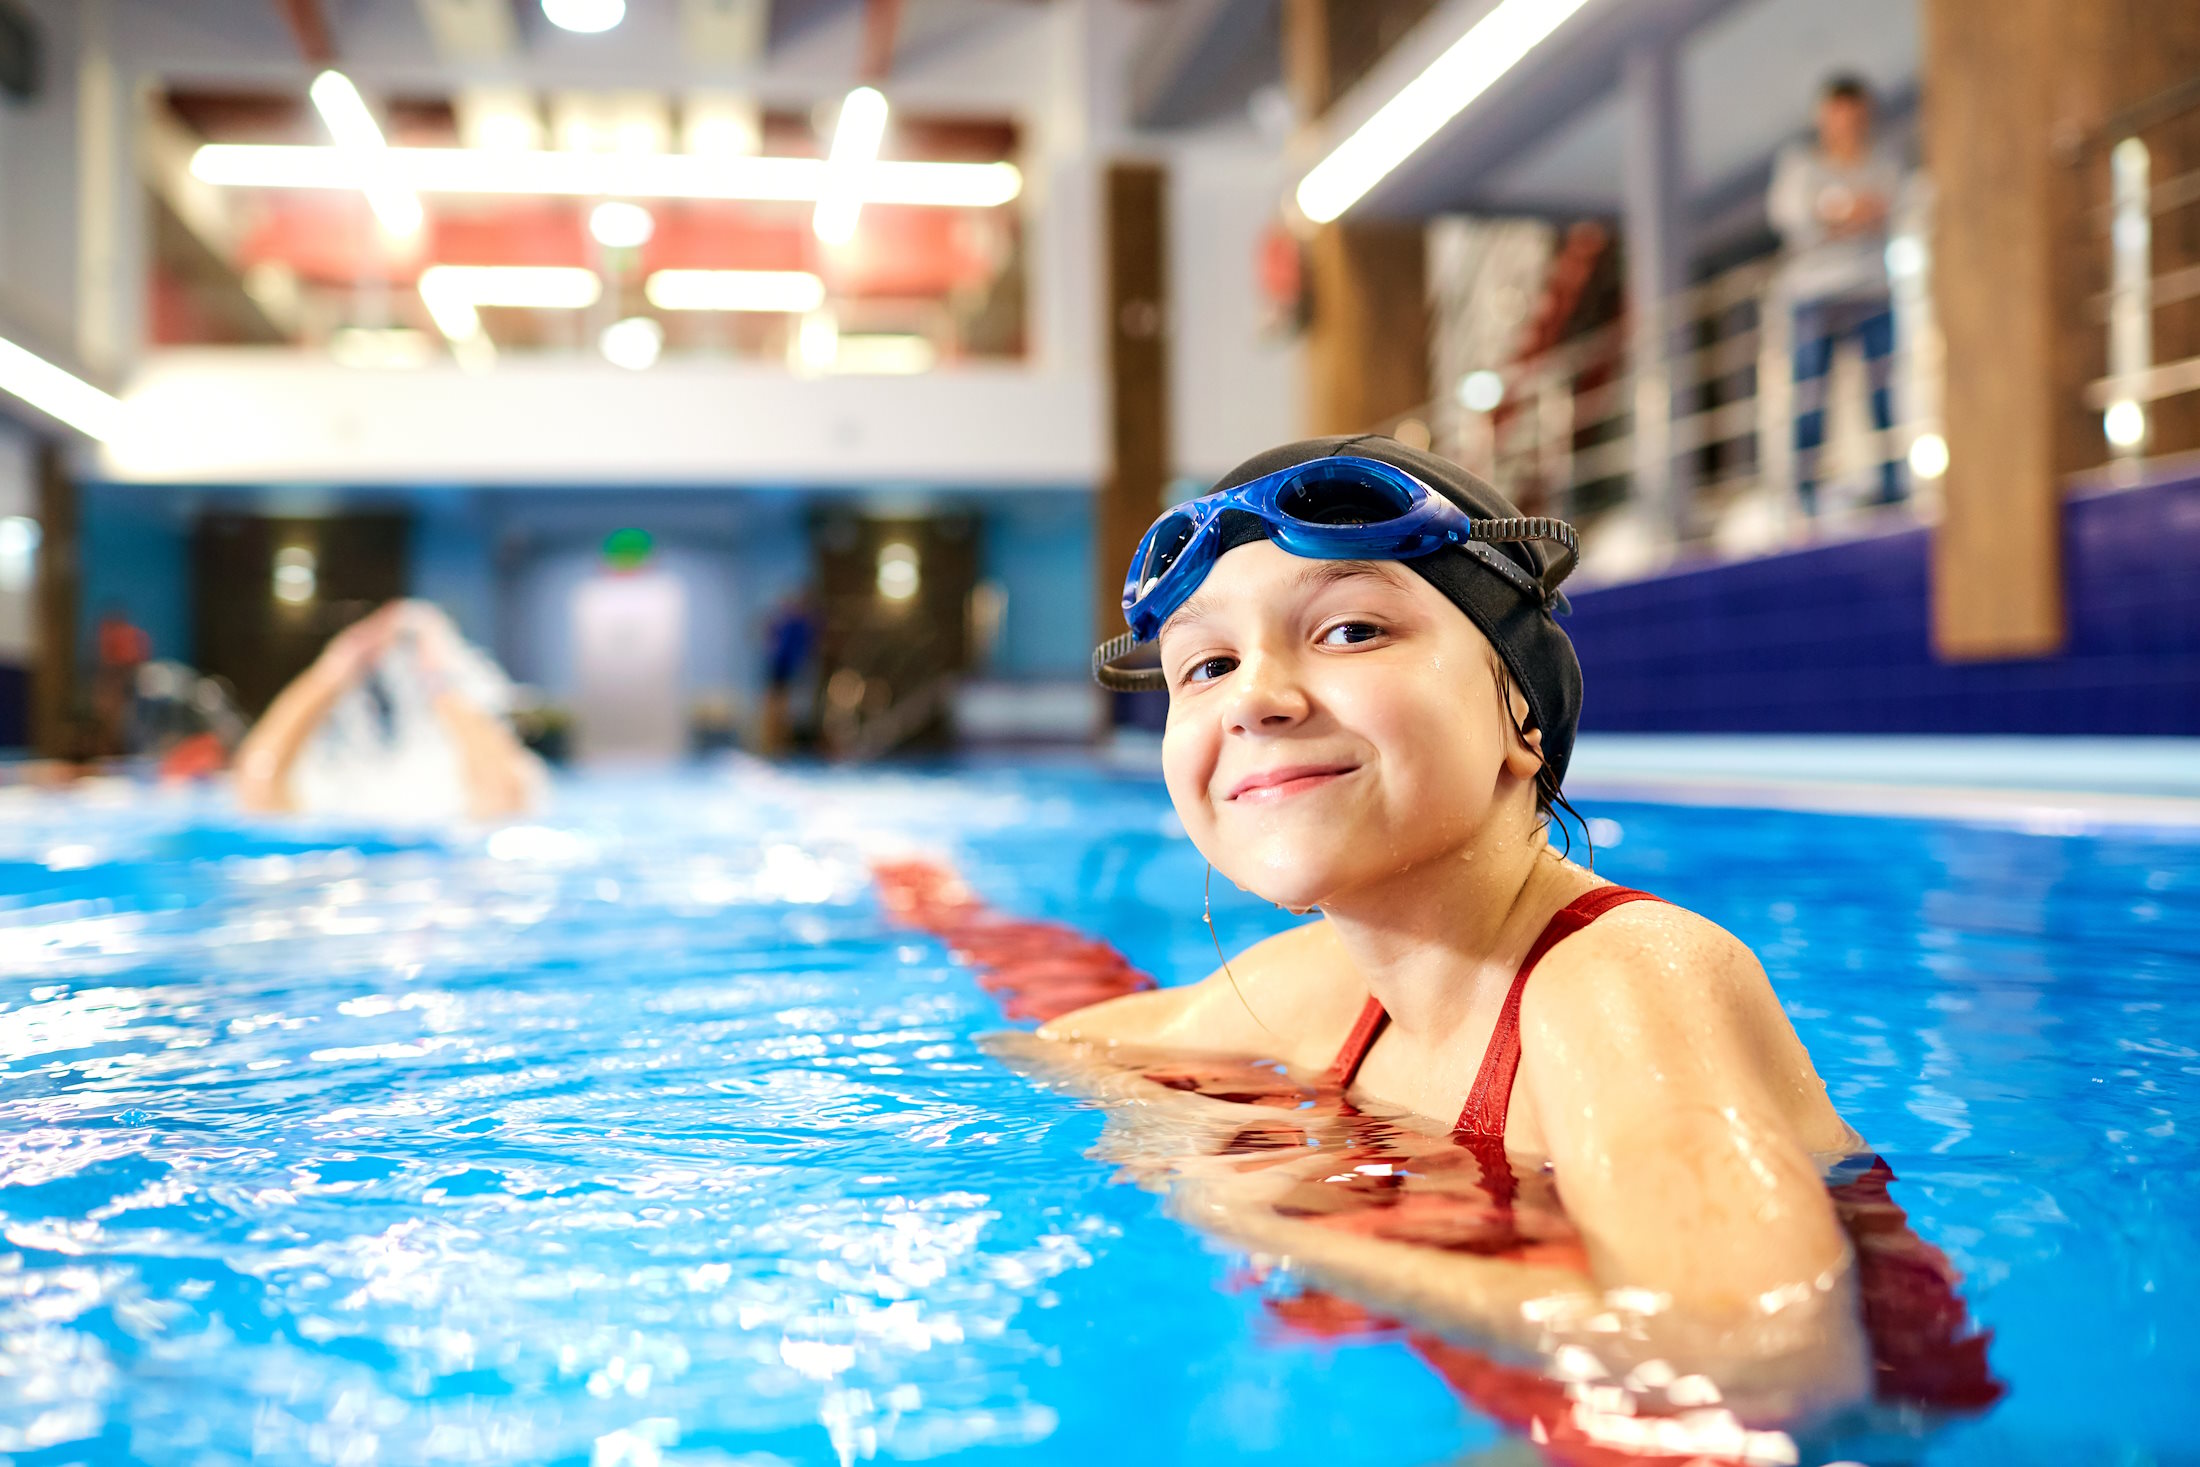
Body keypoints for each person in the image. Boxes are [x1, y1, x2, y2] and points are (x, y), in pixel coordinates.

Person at [1038, 437, 1925, 1426]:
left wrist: (1270, 1216)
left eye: (1351, 630)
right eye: (1207, 665)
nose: (1253, 698)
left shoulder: (1622, 979)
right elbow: (1063, 1047)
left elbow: (1764, 1360)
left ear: (1520, 716)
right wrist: (1190, 1129)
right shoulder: (1325, 989)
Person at [234, 600, 542, 820]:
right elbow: (257, 786)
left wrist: (438, 681)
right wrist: (333, 673)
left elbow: (504, 798)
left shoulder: (440, 787)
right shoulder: (341, 786)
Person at [1768, 75, 1905, 510]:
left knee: (1883, 390)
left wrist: (1829, 213)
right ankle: (1805, 494)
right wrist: (1851, 212)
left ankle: (1892, 487)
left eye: (1855, 115)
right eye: (1838, 115)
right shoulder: (1798, 164)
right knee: (1810, 394)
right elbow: (1792, 219)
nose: (1846, 124)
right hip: (1813, 296)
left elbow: (1890, 209)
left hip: (1872, 291)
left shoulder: (1885, 161)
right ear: (1823, 117)